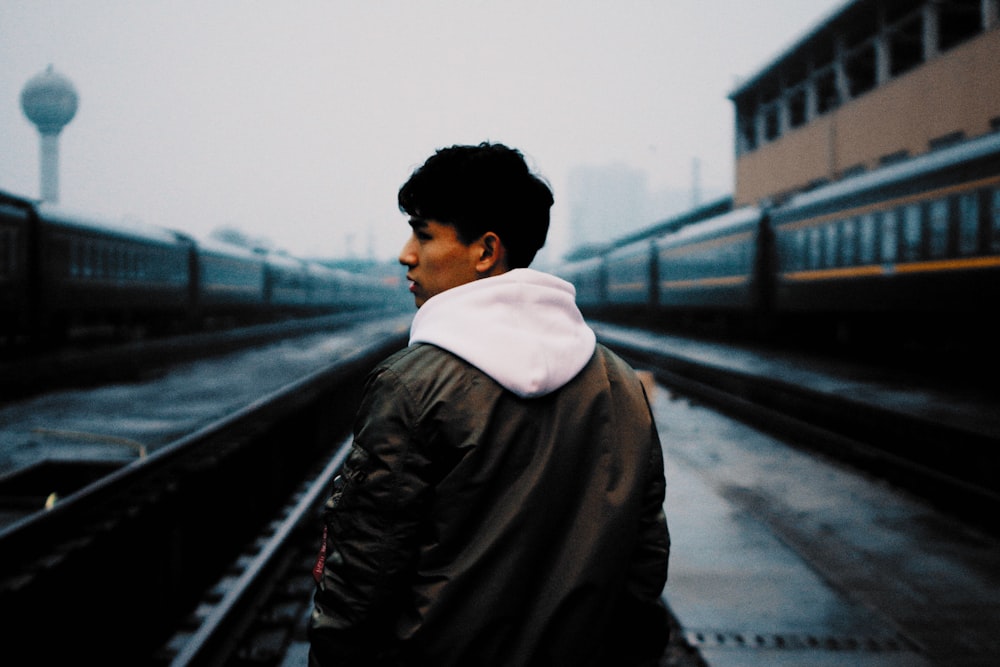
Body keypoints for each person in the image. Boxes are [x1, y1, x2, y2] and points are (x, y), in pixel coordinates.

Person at [309, 142, 670, 667]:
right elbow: (643, 567)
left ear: (485, 251)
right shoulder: (617, 382)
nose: (406, 253)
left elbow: (364, 578)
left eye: (424, 233)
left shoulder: (412, 386)